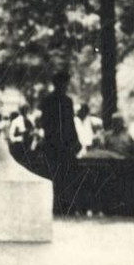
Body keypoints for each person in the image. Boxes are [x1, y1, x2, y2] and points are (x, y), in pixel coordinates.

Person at [38, 71, 81, 214]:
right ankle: (61, 205)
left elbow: (69, 123)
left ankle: (61, 205)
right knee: (59, 175)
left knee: (60, 175)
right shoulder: (63, 101)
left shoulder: (49, 101)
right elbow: (67, 123)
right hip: (59, 143)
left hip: (56, 143)